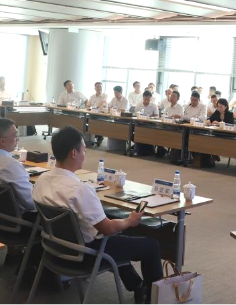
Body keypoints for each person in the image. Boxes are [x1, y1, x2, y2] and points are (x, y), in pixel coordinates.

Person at [33, 127, 162, 304]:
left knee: (117, 234)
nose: (85, 155)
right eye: (84, 150)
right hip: (85, 254)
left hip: (54, 248)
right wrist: (130, 221)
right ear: (74, 153)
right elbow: (107, 229)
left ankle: (137, 286)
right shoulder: (80, 189)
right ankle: (153, 300)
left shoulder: (41, 180)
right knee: (151, 246)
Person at [0, 118, 36, 214]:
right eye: (15, 136)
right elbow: (31, 202)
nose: (18, 139)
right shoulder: (11, 165)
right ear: (3, 141)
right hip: (22, 219)